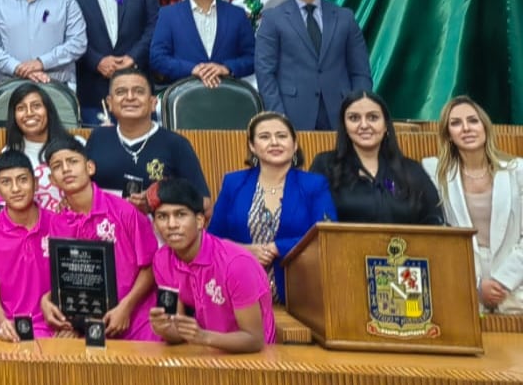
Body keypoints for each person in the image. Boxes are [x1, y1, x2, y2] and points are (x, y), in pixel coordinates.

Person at [208, 112, 336, 302]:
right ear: (252, 146)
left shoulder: (314, 185)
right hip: (238, 291)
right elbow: (212, 241)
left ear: (295, 144)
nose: (274, 142)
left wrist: (278, 247)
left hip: (298, 294)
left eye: (282, 136)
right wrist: (245, 251)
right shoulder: (233, 183)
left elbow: (327, 237)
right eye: (264, 137)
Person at [39, 137, 156, 340]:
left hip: (136, 321)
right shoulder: (57, 223)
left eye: (73, 162)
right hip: (86, 327)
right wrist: (48, 301)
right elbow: (64, 277)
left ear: (90, 167)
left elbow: (151, 266)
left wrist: (126, 308)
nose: (66, 169)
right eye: (57, 166)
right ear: (52, 180)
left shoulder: (125, 211)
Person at [150, 177, 277, 353]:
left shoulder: (235, 263)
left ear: (200, 221)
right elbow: (178, 330)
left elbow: (254, 340)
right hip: (206, 354)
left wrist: (203, 337)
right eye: (162, 217)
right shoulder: (162, 260)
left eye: (180, 214)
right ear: (155, 225)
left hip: (255, 361)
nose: (171, 225)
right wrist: (163, 329)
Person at [423, 96, 523, 313]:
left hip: (516, 285)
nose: (466, 128)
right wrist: (476, 284)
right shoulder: (433, 172)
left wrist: (503, 282)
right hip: (462, 286)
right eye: (456, 123)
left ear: (485, 127)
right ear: (448, 135)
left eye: (473, 121)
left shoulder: (518, 171)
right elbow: (437, 237)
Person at [255, 0, 374, 130]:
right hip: (292, 114)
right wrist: (277, 117)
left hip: (342, 113)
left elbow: (360, 71)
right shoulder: (273, 19)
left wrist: (359, 111)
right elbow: (265, 73)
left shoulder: (344, 17)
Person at [62, 0, 159, 124]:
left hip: (137, 86)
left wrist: (133, 57)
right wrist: (96, 61)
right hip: (93, 93)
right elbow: (67, 36)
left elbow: (154, 26)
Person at [310, 91, 443, 225]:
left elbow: (434, 220)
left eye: (373, 117)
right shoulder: (326, 166)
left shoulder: (411, 170)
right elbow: (311, 219)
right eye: (354, 118)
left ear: (385, 125)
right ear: (344, 126)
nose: (364, 125)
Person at [83, 68, 209, 207]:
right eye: (121, 92)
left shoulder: (175, 143)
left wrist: (158, 200)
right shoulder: (98, 138)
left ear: (153, 103)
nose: (130, 97)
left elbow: (204, 203)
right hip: (104, 225)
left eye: (139, 91)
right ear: (110, 103)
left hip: (156, 226)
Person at [0, 151, 57, 340]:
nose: (16, 188)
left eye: (22, 180)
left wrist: (70, 324)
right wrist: (3, 324)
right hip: (11, 328)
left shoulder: (59, 224)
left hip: (56, 328)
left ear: (35, 183)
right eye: (6, 182)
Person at [150, 0, 256, 89]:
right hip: (185, 95)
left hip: (230, 94)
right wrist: (193, 69)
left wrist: (226, 68)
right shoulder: (168, 15)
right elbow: (157, 58)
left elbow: (254, 58)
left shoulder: (237, 14)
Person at [0, 82, 83, 214]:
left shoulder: (76, 143)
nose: (29, 113)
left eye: (36, 106)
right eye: (21, 108)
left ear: (48, 110)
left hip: (72, 226)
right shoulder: (9, 152)